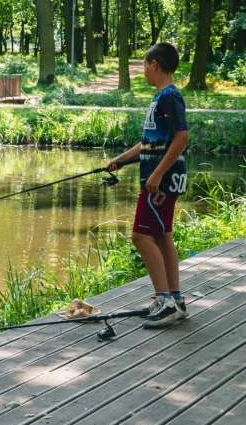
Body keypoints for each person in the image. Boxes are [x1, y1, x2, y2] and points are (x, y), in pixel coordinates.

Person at [107, 42, 190, 328]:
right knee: (162, 236)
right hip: (161, 178)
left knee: (141, 237)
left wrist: (156, 175)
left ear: (154, 64)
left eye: (144, 65)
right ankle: (175, 300)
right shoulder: (161, 97)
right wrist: (121, 159)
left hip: (160, 182)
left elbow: (181, 138)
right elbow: (150, 143)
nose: (143, 71)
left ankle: (165, 301)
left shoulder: (169, 97)